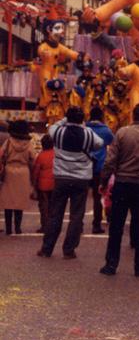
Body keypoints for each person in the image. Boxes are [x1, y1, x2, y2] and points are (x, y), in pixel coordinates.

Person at [99, 103, 139, 277]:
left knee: (117, 225)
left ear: (133, 115)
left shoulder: (122, 132)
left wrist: (104, 181)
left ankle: (111, 264)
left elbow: (111, 160)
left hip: (123, 183)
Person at [38, 106, 103, 259]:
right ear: (81, 119)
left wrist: (65, 119)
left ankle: (47, 248)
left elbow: (53, 127)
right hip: (81, 179)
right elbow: (99, 143)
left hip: (61, 178)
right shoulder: (88, 134)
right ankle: (69, 250)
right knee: (76, 215)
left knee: (55, 214)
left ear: (67, 118)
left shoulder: (58, 132)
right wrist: (83, 125)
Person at [0, 120, 35, 235]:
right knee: (19, 202)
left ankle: (9, 228)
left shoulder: (9, 142)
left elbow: (2, 155)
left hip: (10, 171)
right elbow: (32, 159)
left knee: (8, 201)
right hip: (23, 172)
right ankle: (18, 228)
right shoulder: (28, 143)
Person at [86, 106, 114, 233]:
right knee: (98, 198)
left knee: (81, 197)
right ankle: (96, 225)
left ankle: (78, 225)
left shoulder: (84, 129)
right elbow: (112, 145)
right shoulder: (106, 131)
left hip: (84, 167)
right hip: (99, 168)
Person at [32, 134, 55, 234]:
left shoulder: (40, 156)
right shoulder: (56, 155)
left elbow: (36, 172)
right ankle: (53, 225)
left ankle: (44, 226)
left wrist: (33, 183)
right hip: (54, 183)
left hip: (42, 185)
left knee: (43, 207)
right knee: (53, 206)